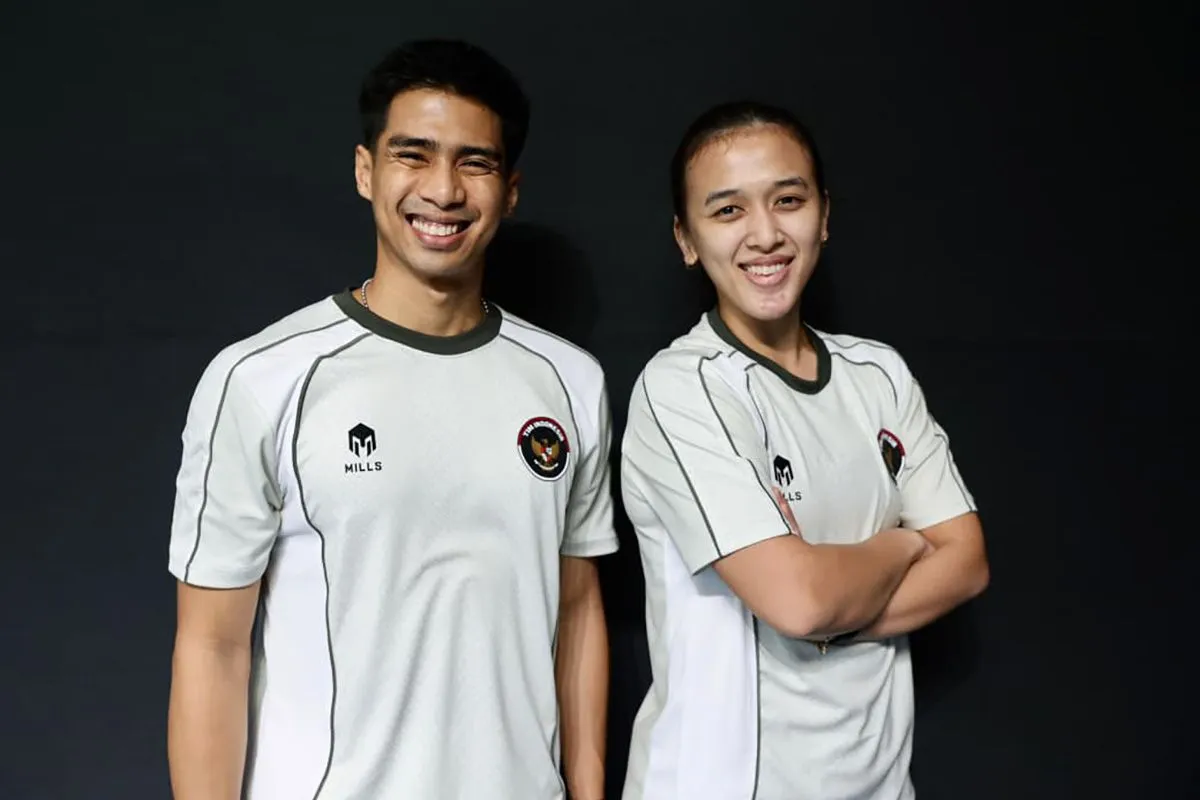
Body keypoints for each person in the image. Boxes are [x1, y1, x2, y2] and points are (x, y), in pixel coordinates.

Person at [165, 39, 617, 800]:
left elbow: (576, 612)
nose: (443, 190)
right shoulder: (262, 380)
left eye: (475, 163)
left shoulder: (569, 381)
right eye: (414, 154)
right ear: (365, 170)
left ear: (509, 190)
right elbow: (212, 647)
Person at [619, 101, 990, 800]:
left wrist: (829, 601)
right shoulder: (684, 389)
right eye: (728, 211)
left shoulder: (879, 375)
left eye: (788, 200)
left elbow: (966, 563)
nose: (765, 234)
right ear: (686, 239)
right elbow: (800, 602)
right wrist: (905, 545)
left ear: (823, 214)